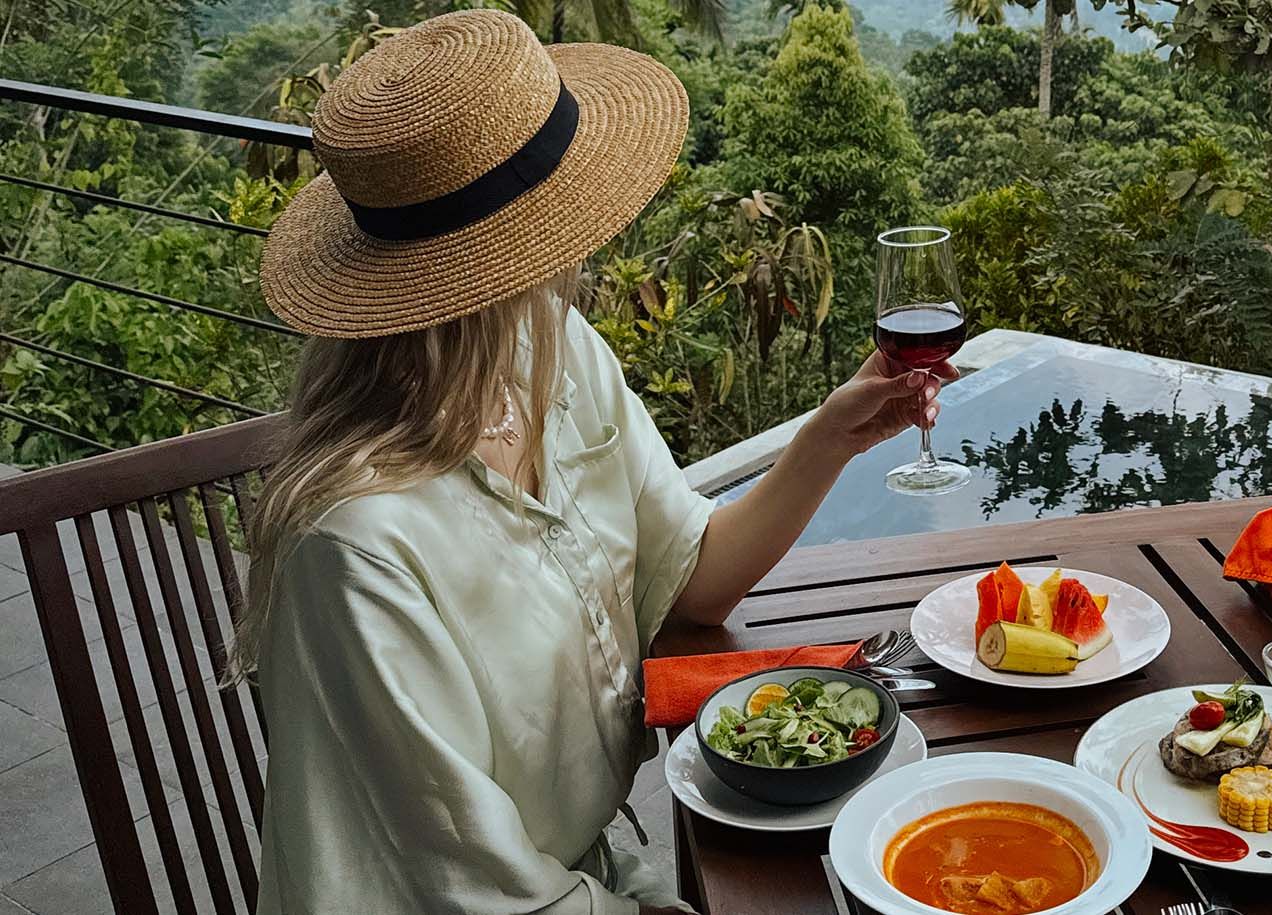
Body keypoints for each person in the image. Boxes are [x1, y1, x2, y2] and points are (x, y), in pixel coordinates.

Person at [232, 10, 953, 913]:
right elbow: (470, 891)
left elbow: (695, 581)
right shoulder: (358, 548)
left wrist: (826, 440)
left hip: (581, 872)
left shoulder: (550, 349)